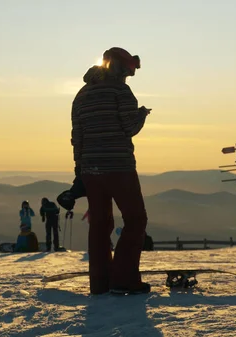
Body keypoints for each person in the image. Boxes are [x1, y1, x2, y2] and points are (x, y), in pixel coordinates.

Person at [71, 47, 151, 295]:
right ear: (119, 68)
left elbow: (77, 136)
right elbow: (128, 127)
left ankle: (100, 282)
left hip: (90, 169)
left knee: (100, 224)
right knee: (136, 219)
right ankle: (123, 279)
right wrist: (141, 114)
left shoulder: (82, 94)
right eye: (128, 71)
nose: (128, 76)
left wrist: (79, 169)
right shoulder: (120, 90)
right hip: (119, 166)